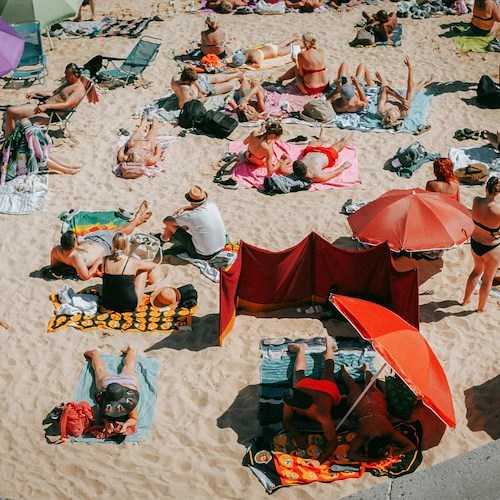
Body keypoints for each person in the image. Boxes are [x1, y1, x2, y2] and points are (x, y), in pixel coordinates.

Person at [50, 201, 152, 280]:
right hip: (105, 245)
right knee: (122, 232)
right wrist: (97, 263)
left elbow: (54, 266)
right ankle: (138, 216)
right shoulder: (77, 258)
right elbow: (86, 277)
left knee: (114, 230)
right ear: (74, 245)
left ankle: (136, 221)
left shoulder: (56, 250)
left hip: (91, 239)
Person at [282, 336, 342, 465]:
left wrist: (319, 461)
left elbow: (333, 441)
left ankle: (306, 349)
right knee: (309, 373)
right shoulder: (293, 397)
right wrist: (297, 435)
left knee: (326, 373)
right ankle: (322, 347)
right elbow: (286, 420)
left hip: (327, 391)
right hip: (307, 387)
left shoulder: (321, 411)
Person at [341, 364, 416, 462]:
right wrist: (374, 459)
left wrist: (393, 454)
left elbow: (410, 446)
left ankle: (361, 368)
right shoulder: (366, 434)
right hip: (364, 406)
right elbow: (351, 454)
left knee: (365, 386)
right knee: (357, 386)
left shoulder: (386, 432)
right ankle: (345, 370)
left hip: (375, 404)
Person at [4, 63, 87, 138]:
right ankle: (9, 142)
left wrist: (47, 106)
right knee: (11, 111)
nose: (65, 77)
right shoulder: (68, 83)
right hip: (42, 107)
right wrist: (36, 92)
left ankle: (12, 145)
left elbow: (66, 104)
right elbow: (53, 93)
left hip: (52, 114)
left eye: (67, 75)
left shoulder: (79, 89)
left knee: (22, 123)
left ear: (75, 76)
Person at [462, 176, 500, 312]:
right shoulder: (498, 211)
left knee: (476, 271)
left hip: (476, 244)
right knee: (487, 280)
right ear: (498, 192)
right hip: (491, 248)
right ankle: (480, 308)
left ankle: (465, 300)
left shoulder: (476, 201)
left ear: (486, 189)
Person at [84, 347, 139, 438]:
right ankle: (130, 350)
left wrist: (126, 425)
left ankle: (94, 354)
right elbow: (133, 418)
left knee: (99, 370)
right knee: (128, 367)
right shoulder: (130, 398)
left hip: (119, 383)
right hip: (123, 382)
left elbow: (134, 419)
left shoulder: (131, 399)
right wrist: (107, 422)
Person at [1, 119, 81, 181]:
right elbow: (42, 160)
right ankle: (66, 170)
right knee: (40, 158)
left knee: (41, 153)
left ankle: (67, 166)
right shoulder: (22, 145)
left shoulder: (19, 139)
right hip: (15, 170)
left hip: (20, 160)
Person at [161, 185, 226, 260]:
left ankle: (164, 238)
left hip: (202, 254)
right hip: (220, 247)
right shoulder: (212, 205)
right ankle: (169, 236)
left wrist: (172, 217)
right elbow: (197, 206)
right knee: (188, 223)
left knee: (171, 223)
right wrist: (184, 208)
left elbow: (166, 221)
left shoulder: (191, 216)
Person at [101, 232, 161, 313]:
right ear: (127, 245)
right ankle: (153, 282)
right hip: (129, 305)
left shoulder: (104, 259)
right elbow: (153, 265)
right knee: (143, 270)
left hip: (107, 304)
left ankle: (152, 281)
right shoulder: (132, 261)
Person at [376, 56, 432, 129]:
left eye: (387, 118)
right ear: (396, 120)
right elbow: (409, 89)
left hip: (395, 98)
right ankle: (423, 81)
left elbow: (386, 90)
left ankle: (383, 81)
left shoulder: (381, 111)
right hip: (401, 100)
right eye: (391, 119)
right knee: (414, 91)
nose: (387, 121)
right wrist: (410, 68)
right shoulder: (404, 111)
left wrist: (401, 100)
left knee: (383, 89)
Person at [171, 68, 240, 109]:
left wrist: (200, 90)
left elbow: (182, 106)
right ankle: (236, 75)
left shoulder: (175, 78)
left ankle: (236, 75)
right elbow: (183, 106)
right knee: (226, 83)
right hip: (203, 85)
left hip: (202, 87)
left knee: (225, 83)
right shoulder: (184, 89)